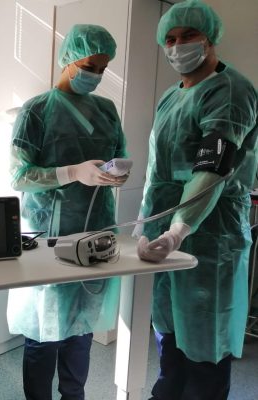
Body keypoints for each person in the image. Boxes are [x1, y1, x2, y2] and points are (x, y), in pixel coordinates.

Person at [135, 1, 258, 399]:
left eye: (188, 36)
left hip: (210, 237)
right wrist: (145, 222)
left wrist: (178, 230)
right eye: (170, 39)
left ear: (210, 39)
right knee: (169, 333)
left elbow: (211, 168)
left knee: (205, 343)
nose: (178, 46)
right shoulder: (171, 96)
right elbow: (158, 171)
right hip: (166, 230)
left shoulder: (230, 91)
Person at [6, 24, 129, 400]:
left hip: (95, 231)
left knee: (81, 328)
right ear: (69, 59)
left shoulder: (107, 110)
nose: (97, 75)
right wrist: (72, 173)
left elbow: (118, 155)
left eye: (103, 69)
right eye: (90, 66)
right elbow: (19, 175)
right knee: (44, 333)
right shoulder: (36, 111)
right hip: (49, 236)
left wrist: (115, 174)